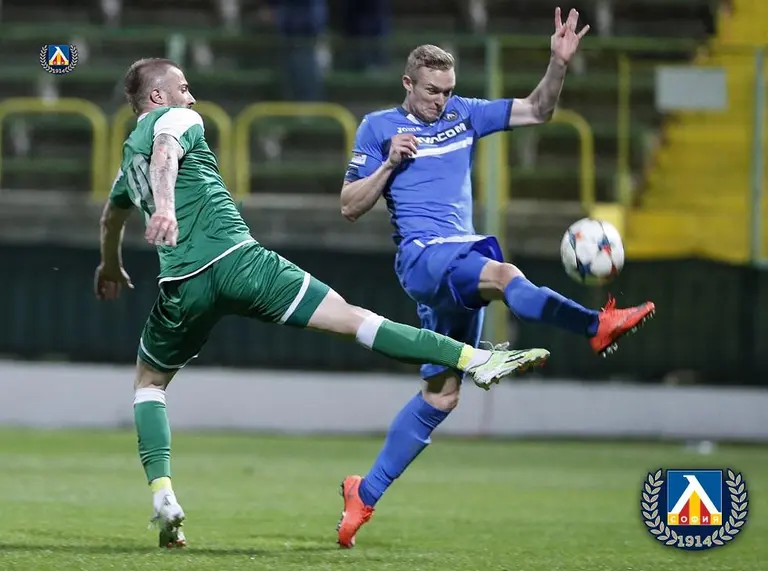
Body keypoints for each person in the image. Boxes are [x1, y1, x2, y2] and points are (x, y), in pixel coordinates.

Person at [93, 57, 551, 549]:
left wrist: (110, 265)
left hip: (181, 286)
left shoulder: (126, 162)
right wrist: (165, 208)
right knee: (353, 320)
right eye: (183, 87)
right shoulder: (178, 118)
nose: (192, 96)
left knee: (149, 384)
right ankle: (475, 359)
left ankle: (163, 495)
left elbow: (111, 217)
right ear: (157, 97)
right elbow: (166, 150)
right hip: (240, 263)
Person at [335, 8, 656, 548]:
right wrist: (388, 164)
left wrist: (558, 64)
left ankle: (363, 494)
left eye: (447, 90)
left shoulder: (464, 114)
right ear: (408, 84)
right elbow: (348, 206)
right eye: (431, 91)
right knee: (504, 274)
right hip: (423, 256)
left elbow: (537, 110)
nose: (440, 101)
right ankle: (594, 326)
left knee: (441, 396)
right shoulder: (378, 128)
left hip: (452, 269)